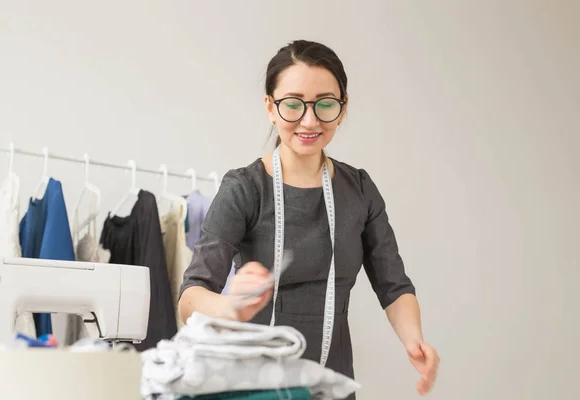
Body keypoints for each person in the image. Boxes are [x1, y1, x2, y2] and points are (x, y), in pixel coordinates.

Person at [178, 39, 440, 398]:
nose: (310, 119)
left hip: (331, 386)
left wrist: (414, 341)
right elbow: (190, 299)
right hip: (256, 387)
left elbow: (394, 286)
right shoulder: (244, 189)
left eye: (325, 104)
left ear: (342, 108)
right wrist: (229, 306)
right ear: (271, 108)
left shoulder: (359, 189)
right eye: (293, 104)